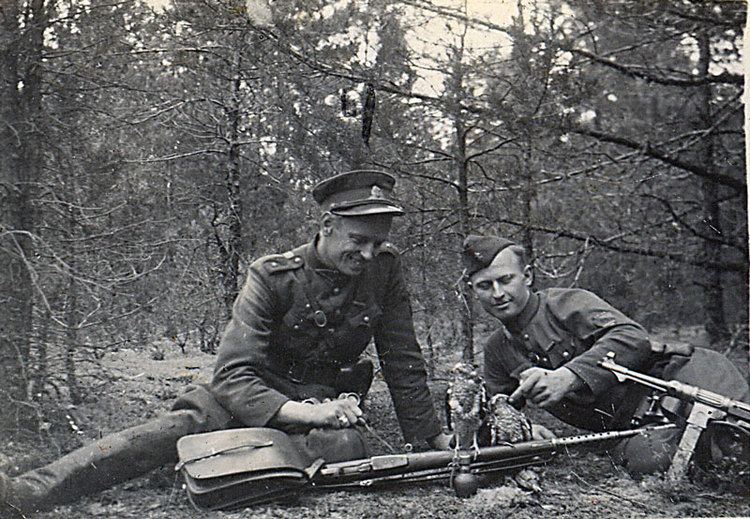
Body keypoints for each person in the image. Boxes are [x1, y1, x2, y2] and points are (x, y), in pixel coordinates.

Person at [0, 170, 452, 516]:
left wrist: (430, 438)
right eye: (359, 241)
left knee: (344, 451)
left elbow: (402, 360)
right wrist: (307, 413)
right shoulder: (272, 275)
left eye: (378, 244)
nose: (369, 255)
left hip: (318, 404)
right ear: (327, 224)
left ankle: (225, 463)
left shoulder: (384, 271)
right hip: (244, 398)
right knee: (166, 433)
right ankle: (31, 488)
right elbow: (233, 373)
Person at [462, 234, 750, 473]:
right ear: (473, 291)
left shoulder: (567, 304)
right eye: (485, 286)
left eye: (505, 280)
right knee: (654, 462)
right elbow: (497, 409)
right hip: (636, 427)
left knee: (735, 436)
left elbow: (632, 337)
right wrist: (528, 428)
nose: (497, 293)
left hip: (686, 376)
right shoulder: (498, 350)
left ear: (527, 276)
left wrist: (568, 376)